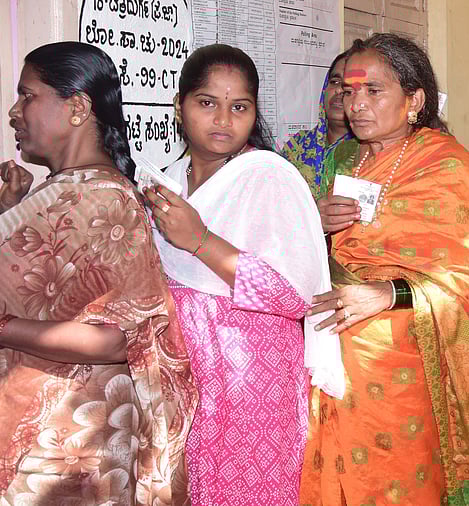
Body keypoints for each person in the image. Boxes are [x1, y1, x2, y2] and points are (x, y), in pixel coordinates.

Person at [297, 34, 469, 505]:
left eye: (374, 91)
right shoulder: (346, 159)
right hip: (332, 352)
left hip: (404, 360)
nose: (356, 104)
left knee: (396, 482)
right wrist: (318, 219)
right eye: (350, 91)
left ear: (414, 100)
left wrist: (388, 293)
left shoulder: (447, 165)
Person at [0, 41, 196, 504]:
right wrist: (11, 210)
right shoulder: (67, 191)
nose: (14, 111)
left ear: (77, 107)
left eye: (28, 95)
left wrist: (5, 328)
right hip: (47, 427)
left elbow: (119, 337)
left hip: (59, 444)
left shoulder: (105, 198)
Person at [143, 44, 336, 505]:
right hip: (186, 373)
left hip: (252, 378)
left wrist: (201, 241)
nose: (223, 120)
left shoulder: (268, 177)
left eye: (239, 107)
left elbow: (295, 295)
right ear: (179, 105)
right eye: (207, 103)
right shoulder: (164, 182)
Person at [281, 49, 356, 201]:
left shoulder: (368, 151)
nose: (340, 90)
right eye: (335, 81)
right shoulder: (297, 146)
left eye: (350, 85)